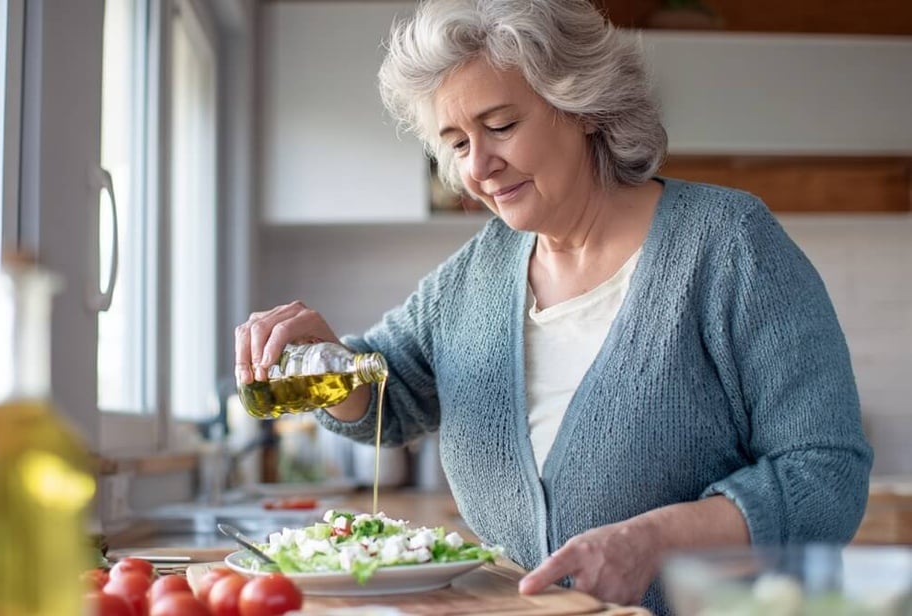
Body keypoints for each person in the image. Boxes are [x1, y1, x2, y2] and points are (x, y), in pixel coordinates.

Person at [233, 0, 873, 612]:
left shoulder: (728, 245)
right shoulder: (470, 281)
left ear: (583, 106)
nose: (479, 166)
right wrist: (322, 360)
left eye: (501, 126)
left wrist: (653, 540)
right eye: (456, 143)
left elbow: (825, 474)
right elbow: (384, 398)